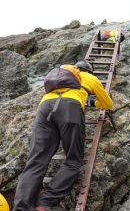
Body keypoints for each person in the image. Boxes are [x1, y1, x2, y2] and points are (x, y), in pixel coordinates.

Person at [13, 61, 113, 211]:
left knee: (36, 161)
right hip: (70, 107)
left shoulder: (60, 75)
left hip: (45, 108)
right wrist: (91, 101)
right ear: (88, 72)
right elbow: (107, 104)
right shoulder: (91, 78)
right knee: (73, 161)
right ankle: (45, 203)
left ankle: (21, 207)